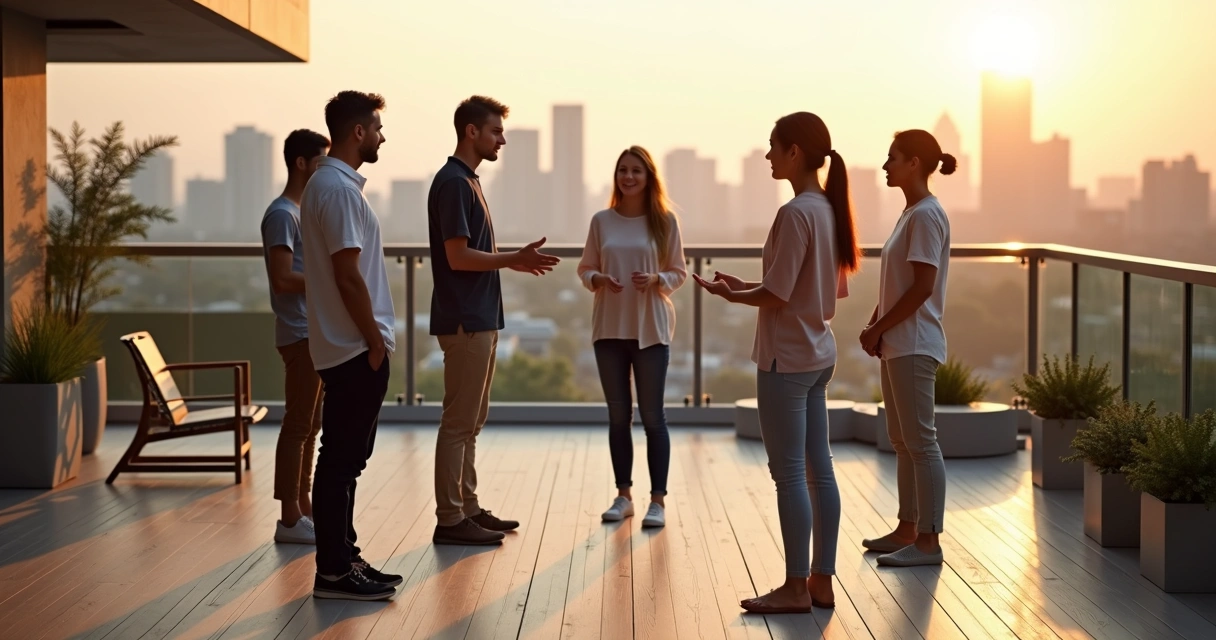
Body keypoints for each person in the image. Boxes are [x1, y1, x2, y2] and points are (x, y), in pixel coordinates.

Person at [694, 112, 859, 613]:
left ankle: (792, 589)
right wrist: (745, 286)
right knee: (819, 471)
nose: (767, 155)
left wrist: (732, 295)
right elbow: (817, 289)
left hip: (785, 360)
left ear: (794, 153)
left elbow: (780, 292)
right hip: (817, 353)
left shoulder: (795, 213)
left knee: (790, 475)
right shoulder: (828, 210)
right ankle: (821, 580)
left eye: (772, 146)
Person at [428, 95, 560, 546]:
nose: (502, 140)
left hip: (480, 319)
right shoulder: (454, 184)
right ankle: (450, 520)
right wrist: (513, 259)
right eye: (496, 132)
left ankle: (467, 507)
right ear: (471, 132)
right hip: (465, 321)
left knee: (472, 420)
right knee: (459, 422)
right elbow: (458, 257)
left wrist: (514, 262)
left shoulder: (468, 181)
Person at [301, 90, 402, 600]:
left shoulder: (330, 186)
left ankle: (346, 556)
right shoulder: (338, 191)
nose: (383, 136)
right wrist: (374, 342)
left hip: (348, 347)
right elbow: (347, 276)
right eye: (377, 128)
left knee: (346, 462)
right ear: (358, 132)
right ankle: (334, 572)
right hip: (353, 350)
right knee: (340, 462)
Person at [577, 146, 686, 529]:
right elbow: (586, 267)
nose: (628, 176)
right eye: (622, 170)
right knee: (618, 416)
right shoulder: (601, 220)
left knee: (653, 417)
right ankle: (623, 496)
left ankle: (658, 501)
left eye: (636, 170)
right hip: (609, 328)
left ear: (648, 177)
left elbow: (678, 272)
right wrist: (598, 279)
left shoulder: (664, 222)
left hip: (650, 330)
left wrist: (658, 279)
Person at [859, 129, 954, 567]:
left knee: (921, 442)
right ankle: (907, 528)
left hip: (915, 343)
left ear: (914, 162)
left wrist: (880, 327)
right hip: (898, 341)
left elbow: (921, 288)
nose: (885, 165)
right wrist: (877, 323)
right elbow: (898, 282)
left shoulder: (926, 216)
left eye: (892, 157)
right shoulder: (910, 213)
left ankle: (928, 542)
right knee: (902, 440)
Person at [260, 128, 330, 545]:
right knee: (298, 424)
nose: (323, 170)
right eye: (319, 162)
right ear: (301, 163)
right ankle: (289, 518)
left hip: (312, 331)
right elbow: (283, 279)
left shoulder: (301, 212)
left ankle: (302, 508)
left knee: (312, 424)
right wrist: (328, 280)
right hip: (298, 332)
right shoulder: (282, 214)